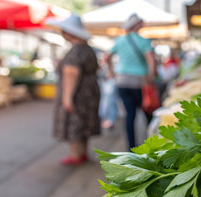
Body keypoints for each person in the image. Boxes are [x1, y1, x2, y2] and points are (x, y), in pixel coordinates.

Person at [48, 14, 100, 166]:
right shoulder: (88, 49)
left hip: (78, 93)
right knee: (84, 123)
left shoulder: (76, 51)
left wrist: (67, 98)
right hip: (90, 92)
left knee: (74, 122)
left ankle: (76, 154)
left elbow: (71, 74)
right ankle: (83, 152)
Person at [106, 13, 156, 149]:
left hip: (122, 80)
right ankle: (151, 144)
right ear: (137, 25)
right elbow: (151, 60)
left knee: (130, 114)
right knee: (147, 113)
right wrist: (151, 76)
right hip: (139, 81)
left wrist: (111, 72)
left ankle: (131, 147)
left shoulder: (119, 40)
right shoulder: (144, 41)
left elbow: (107, 57)